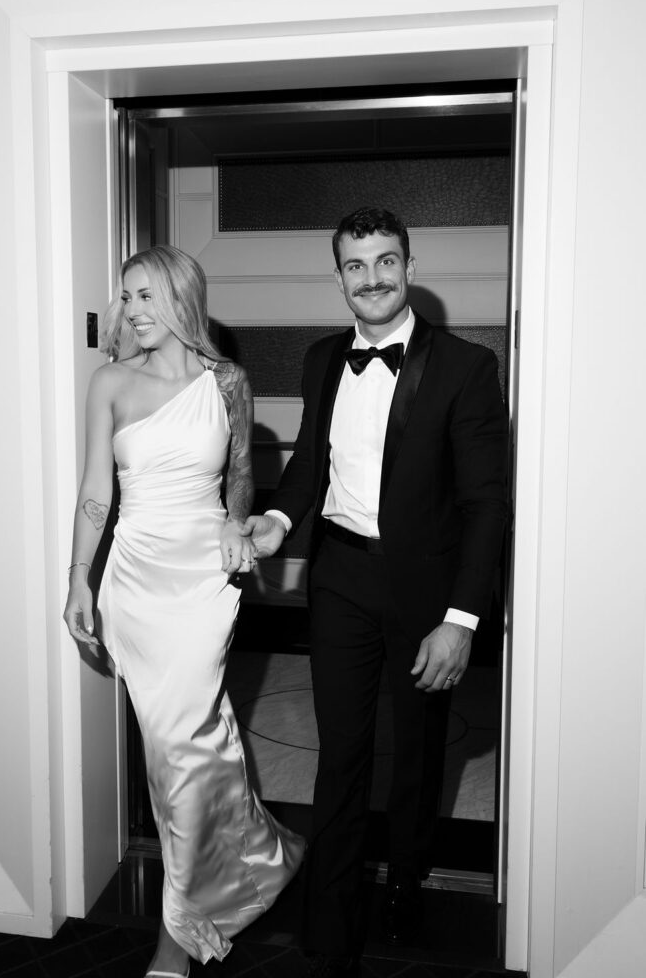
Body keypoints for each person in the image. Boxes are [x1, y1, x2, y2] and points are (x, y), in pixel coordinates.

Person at [244, 208, 509, 977]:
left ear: (409, 266)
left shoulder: (465, 366)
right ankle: (328, 920)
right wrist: (273, 521)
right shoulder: (321, 357)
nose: (372, 278)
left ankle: (405, 877)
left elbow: (485, 504)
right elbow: (307, 468)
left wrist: (460, 620)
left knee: (418, 752)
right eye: (356, 266)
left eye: (385, 262)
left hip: (427, 589)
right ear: (339, 277)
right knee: (342, 748)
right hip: (341, 578)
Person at [63, 245, 305, 978]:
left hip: (203, 584)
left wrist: (239, 529)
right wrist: (78, 580)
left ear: (179, 300)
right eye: (126, 297)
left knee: (187, 748)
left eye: (145, 296)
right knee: (181, 753)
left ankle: (180, 929)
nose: (130, 310)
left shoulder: (226, 381)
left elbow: (238, 480)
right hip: (134, 583)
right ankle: (253, 860)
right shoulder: (109, 382)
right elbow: (96, 496)